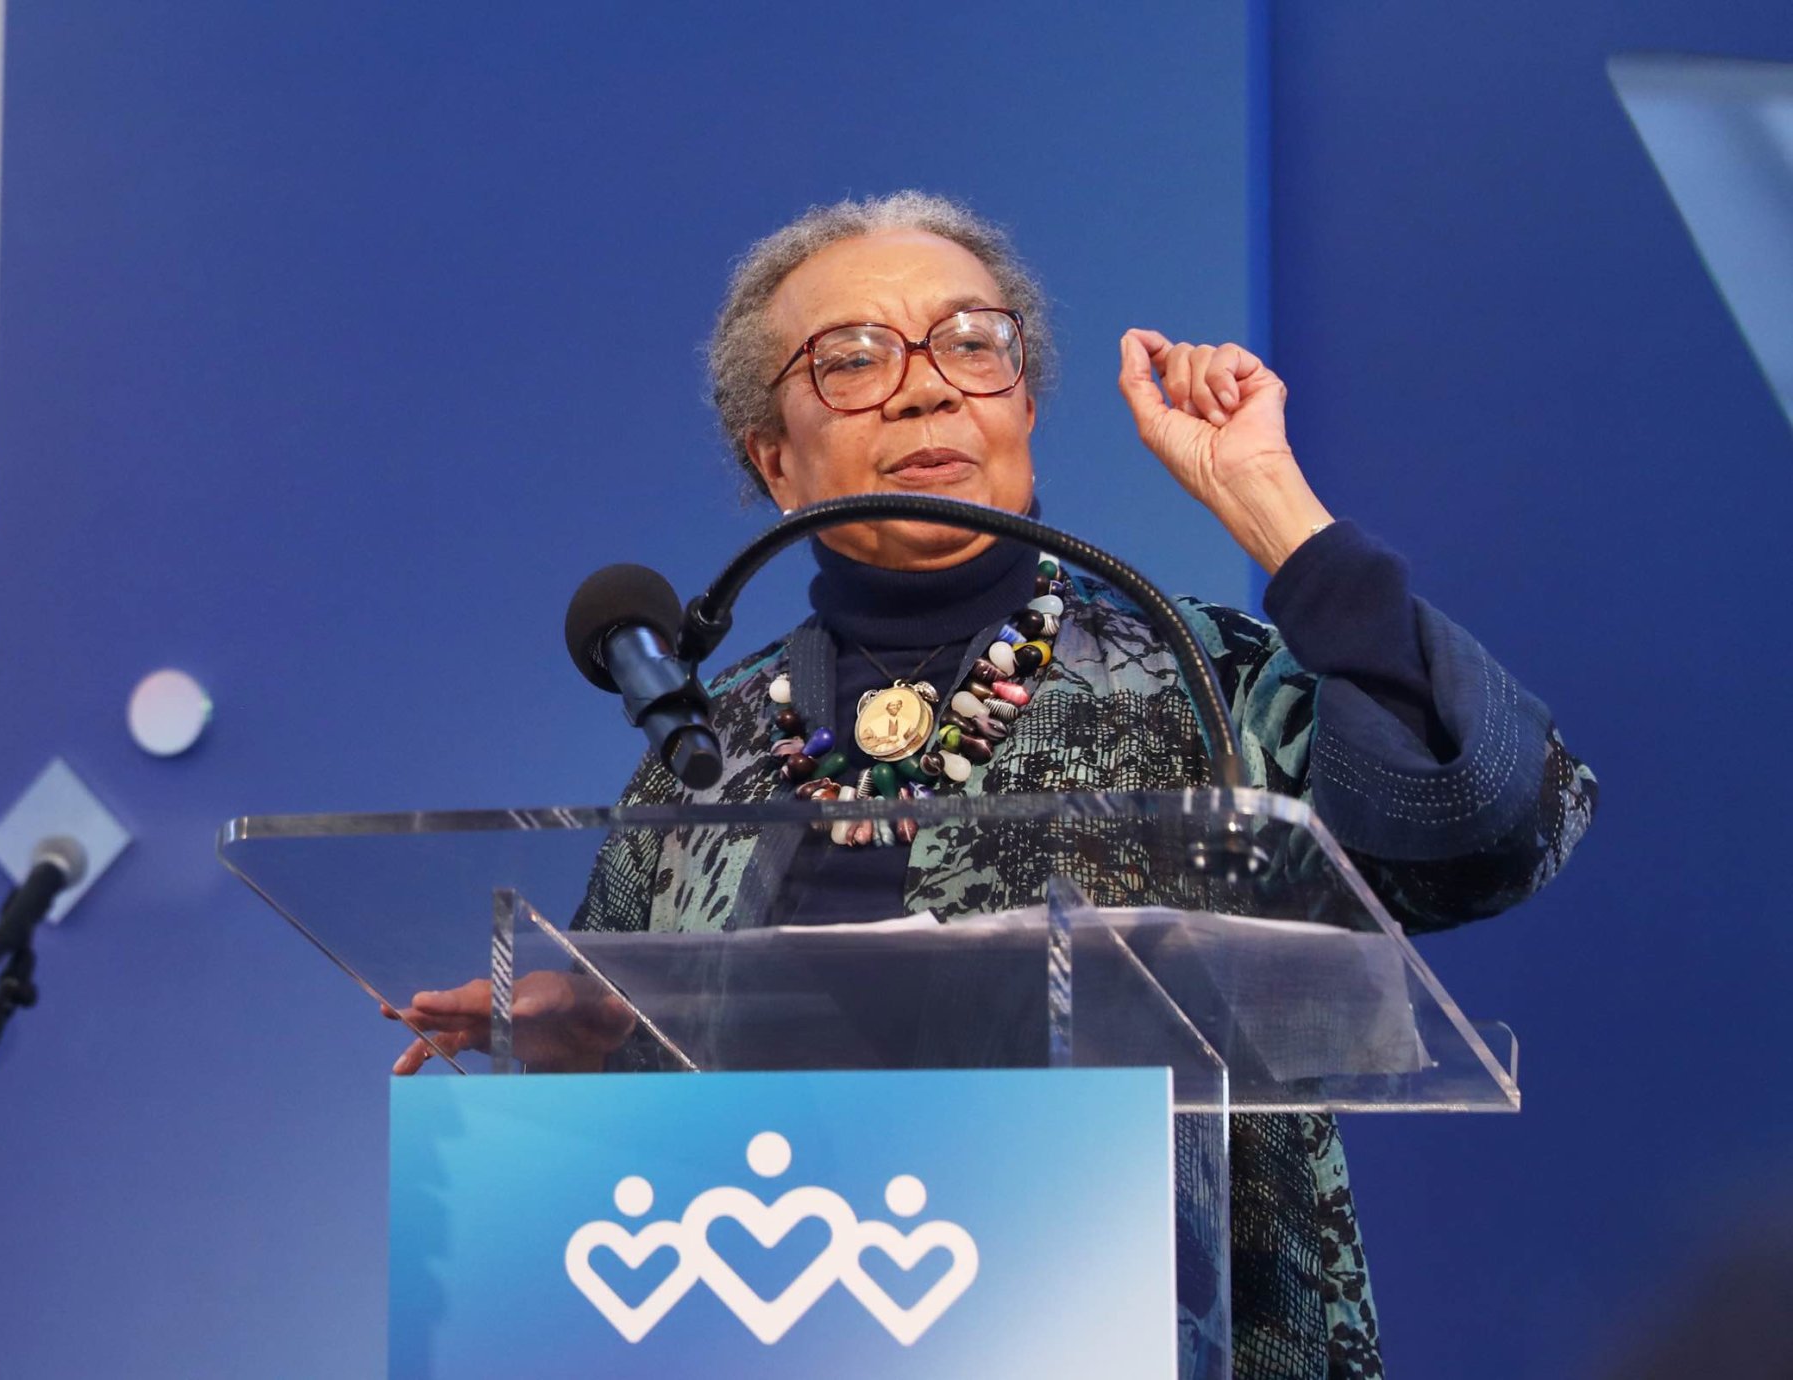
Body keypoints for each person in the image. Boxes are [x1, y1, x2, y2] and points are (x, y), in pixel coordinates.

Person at [391, 192, 1597, 1378]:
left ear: (1021, 400)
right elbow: (646, 1131)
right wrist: (594, 1034)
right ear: (777, 464)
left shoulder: (1202, 675)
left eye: (972, 343)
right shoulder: (710, 749)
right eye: (851, 361)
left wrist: (1272, 506)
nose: (925, 384)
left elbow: (1489, 832)